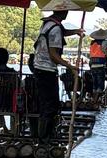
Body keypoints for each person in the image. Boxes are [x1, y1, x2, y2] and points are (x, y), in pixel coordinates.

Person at [30, 7, 83, 142]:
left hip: (39, 67)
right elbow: (54, 55)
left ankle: (44, 136)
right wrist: (70, 66)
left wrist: (75, 31)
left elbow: (62, 32)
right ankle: (44, 139)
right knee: (50, 105)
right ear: (63, 12)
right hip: (46, 69)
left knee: (46, 103)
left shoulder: (48, 24)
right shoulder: (55, 28)